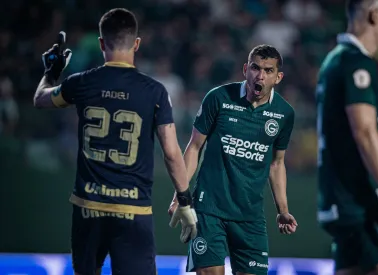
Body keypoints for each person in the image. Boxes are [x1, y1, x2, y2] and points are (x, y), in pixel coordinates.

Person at [33, 8, 197, 275]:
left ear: (101, 43)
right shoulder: (154, 91)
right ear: (137, 43)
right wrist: (185, 200)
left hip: (88, 210)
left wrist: (52, 71)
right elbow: (171, 152)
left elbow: (40, 99)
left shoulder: (81, 82)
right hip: (133, 210)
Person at [169, 44, 297, 275]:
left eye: (268, 71)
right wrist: (181, 194)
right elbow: (195, 147)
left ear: (278, 77)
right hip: (209, 210)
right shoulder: (218, 98)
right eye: (256, 68)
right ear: (245, 69)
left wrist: (283, 210)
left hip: (250, 217)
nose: (260, 75)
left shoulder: (284, 114)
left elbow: (277, 163)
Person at [315, 0, 378, 274]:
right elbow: (366, 132)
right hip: (361, 203)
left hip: (342, 200)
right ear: (373, 14)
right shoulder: (355, 62)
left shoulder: (335, 60)